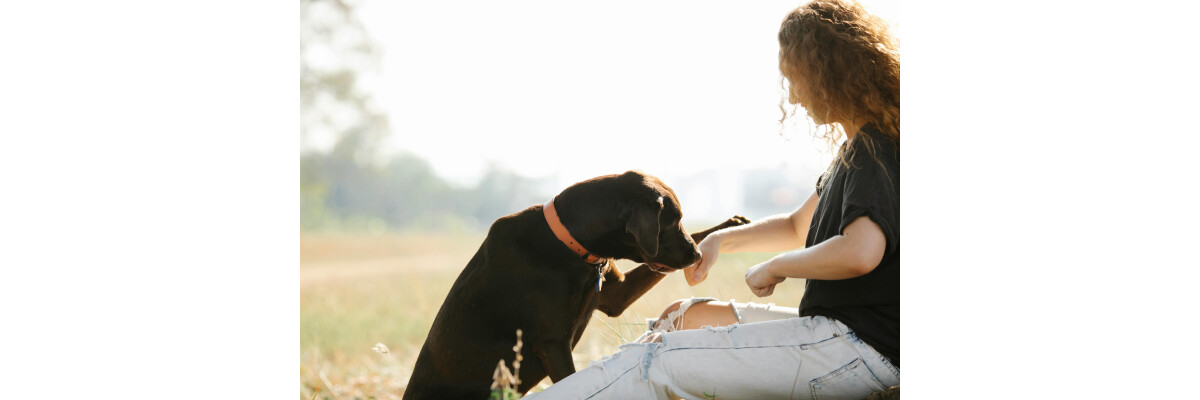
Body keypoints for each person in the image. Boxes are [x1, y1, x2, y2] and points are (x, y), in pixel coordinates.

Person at [526, 0, 899, 398]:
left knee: (653, 362)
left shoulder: (874, 150)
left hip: (857, 348)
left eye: (796, 79)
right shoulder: (856, 151)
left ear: (827, 74)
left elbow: (860, 252)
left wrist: (776, 267)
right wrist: (720, 240)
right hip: (840, 338)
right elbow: (796, 226)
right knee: (683, 317)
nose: (793, 97)